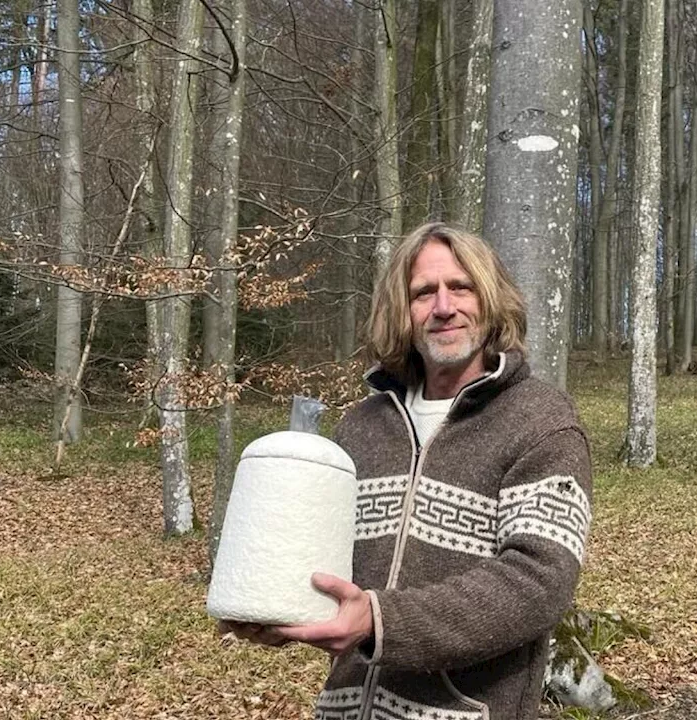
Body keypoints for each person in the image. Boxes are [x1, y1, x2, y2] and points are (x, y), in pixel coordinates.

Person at [220, 222, 592, 720]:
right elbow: (330, 574)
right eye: (424, 293)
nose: (443, 307)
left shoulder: (541, 423)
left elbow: (538, 583)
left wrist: (379, 621)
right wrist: (277, 606)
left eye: (461, 287)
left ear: (491, 299)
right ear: (403, 310)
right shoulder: (362, 427)